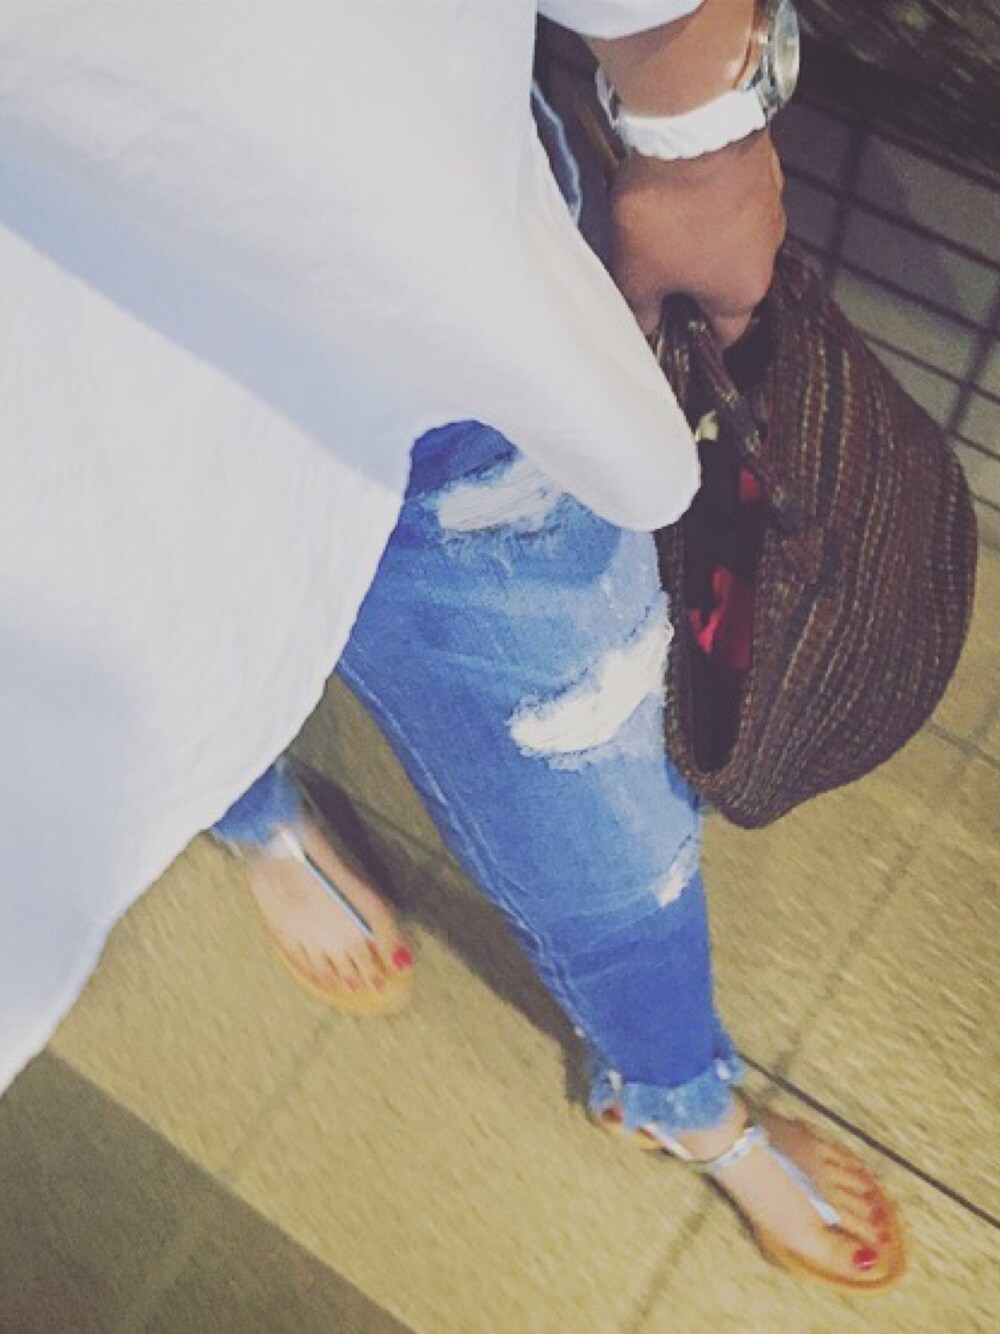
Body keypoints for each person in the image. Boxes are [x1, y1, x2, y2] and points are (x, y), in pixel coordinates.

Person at [0, 0, 903, 1292]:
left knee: (597, 791)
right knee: (122, 644)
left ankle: (672, 1084)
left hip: (382, 273)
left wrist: (695, 121)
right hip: (51, 406)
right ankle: (247, 810)